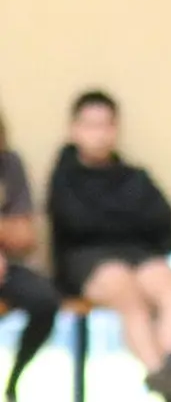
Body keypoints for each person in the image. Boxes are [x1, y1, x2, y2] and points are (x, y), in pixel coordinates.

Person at [47, 89, 171, 402]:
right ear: (75, 129)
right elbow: (77, 223)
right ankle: (163, 376)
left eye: (106, 125)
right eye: (90, 125)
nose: (99, 134)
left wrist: (114, 221)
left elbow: (162, 220)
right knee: (125, 290)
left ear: (116, 128)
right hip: (87, 262)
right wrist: (126, 219)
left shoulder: (134, 176)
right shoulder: (64, 179)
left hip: (140, 255)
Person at [0, 108, 60, 402]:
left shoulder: (10, 163)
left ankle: (13, 383)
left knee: (45, 300)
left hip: (7, 265)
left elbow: (25, 236)